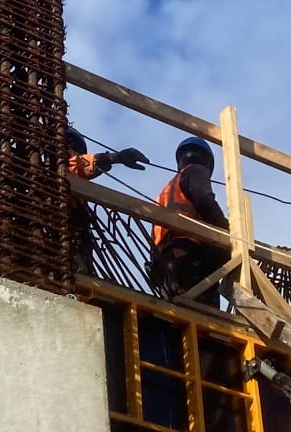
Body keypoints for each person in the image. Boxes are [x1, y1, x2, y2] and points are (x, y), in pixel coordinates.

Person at [149, 135, 232, 307]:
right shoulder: (195, 171)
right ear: (207, 162)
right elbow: (203, 199)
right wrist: (227, 230)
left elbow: (154, 236)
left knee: (178, 317)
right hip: (189, 254)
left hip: (167, 263)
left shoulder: (166, 191)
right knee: (207, 316)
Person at [66, 126, 147, 277]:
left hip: (76, 240)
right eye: (72, 146)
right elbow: (78, 165)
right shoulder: (57, 166)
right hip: (62, 239)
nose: (75, 152)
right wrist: (115, 158)